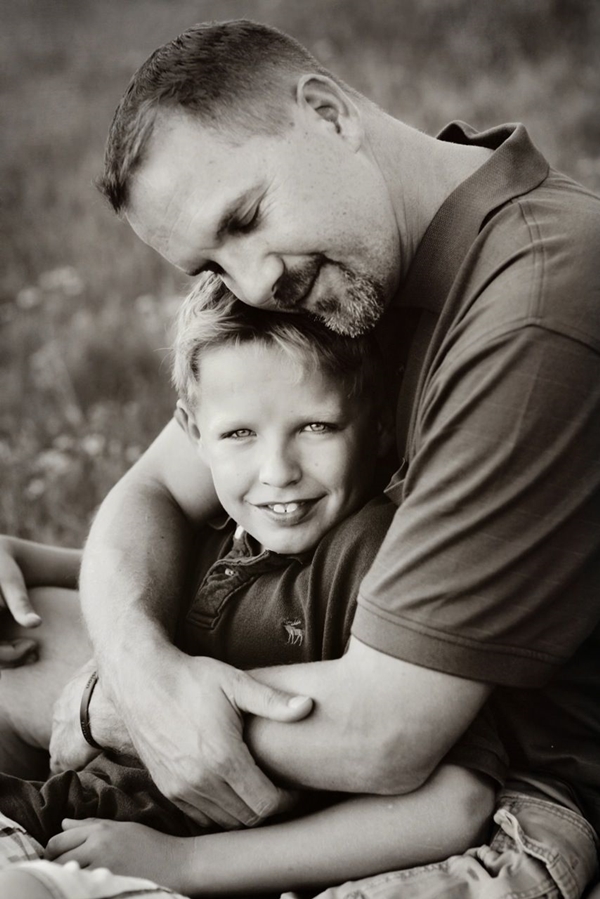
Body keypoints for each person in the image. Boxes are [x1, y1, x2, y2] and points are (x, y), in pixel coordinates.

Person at [1, 17, 599, 899]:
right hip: (334, 708)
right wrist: (136, 660)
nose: (251, 285)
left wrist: (107, 707)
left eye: (245, 218)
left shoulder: (533, 307)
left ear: (326, 112)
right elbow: (164, 484)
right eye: (209, 262)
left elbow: (389, 736)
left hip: (506, 796)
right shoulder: (358, 261)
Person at [0, 280, 503, 898]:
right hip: (59, 814)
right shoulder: (221, 524)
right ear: (192, 432)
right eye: (240, 434)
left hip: (167, 859)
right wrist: (25, 557)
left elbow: (456, 803)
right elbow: (167, 587)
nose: (277, 472)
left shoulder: (376, 557)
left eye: (316, 426)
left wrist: (181, 863)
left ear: (376, 429)